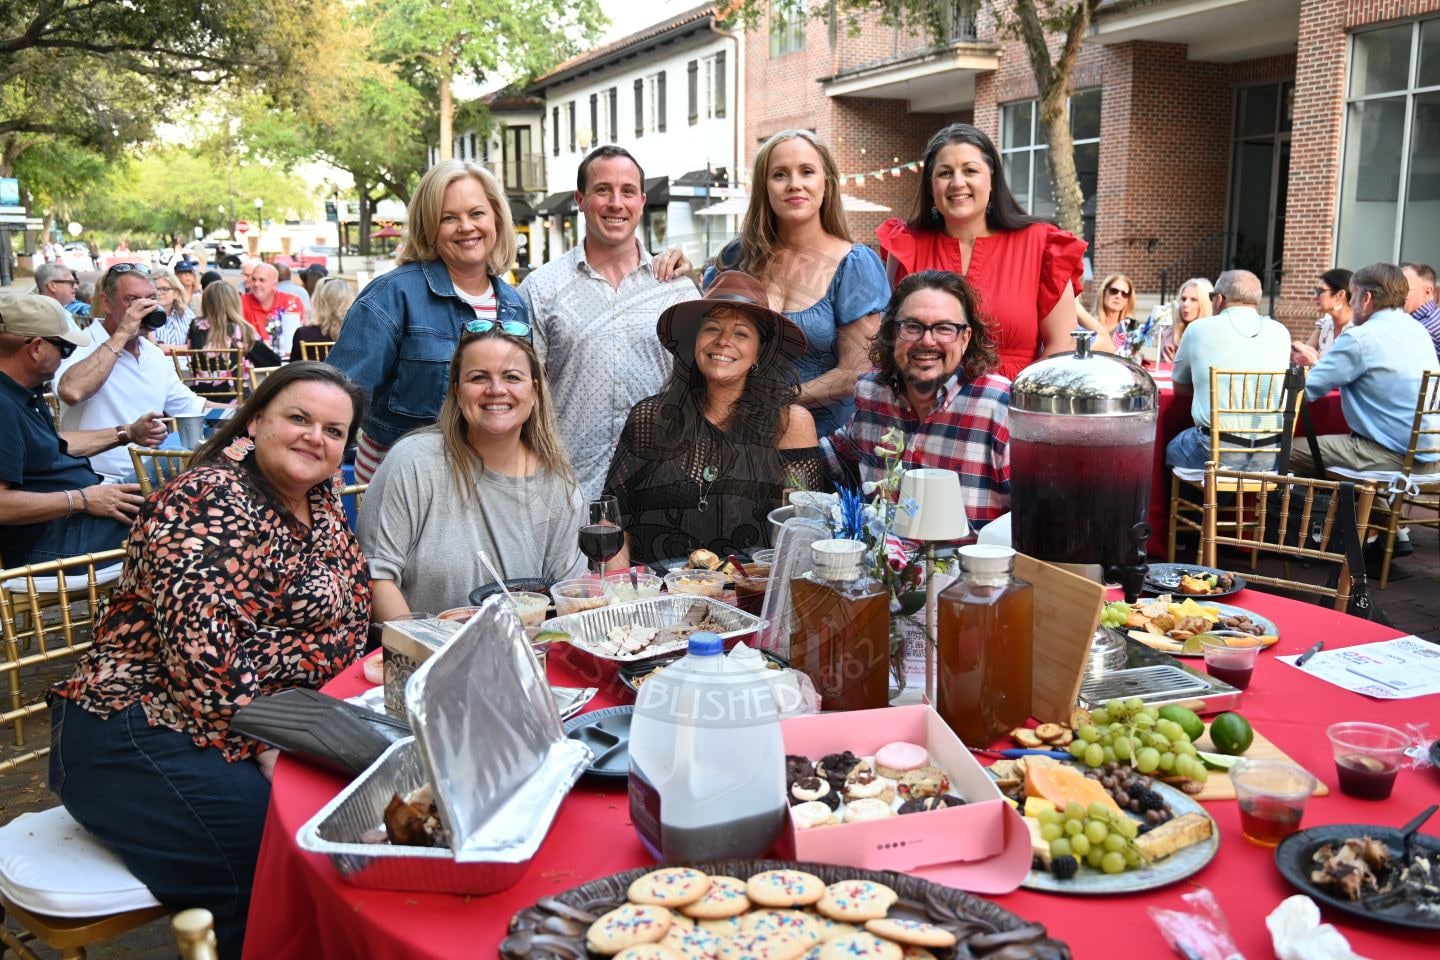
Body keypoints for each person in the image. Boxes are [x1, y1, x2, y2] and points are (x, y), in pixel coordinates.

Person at [47, 362, 370, 960]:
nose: (315, 438)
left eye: (333, 431)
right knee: (268, 857)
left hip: (258, 721)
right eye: (298, 418)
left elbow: (348, 606)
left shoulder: (319, 501)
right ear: (253, 422)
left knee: (364, 814)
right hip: (136, 726)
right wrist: (273, 744)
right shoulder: (206, 496)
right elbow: (204, 648)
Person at [359, 325, 586, 618]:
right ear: (457, 390)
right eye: (478, 377)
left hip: (525, 653)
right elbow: (377, 576)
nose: (496, 390)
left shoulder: (561, 487)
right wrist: (427, 653)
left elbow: (569, 595)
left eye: (512, 377)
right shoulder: (414, 461)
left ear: (534, 391)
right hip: (424, 656)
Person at [327, 160, 527, 484]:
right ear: (429, 227)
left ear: (496, 219)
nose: (466, 227)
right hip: (401, 484)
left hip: (488, 485)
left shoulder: (514, 306)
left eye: (477, 213)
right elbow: (335, 401)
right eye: (449, 217)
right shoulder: (391, 296)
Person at [518, 146, 699, 497]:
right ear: (580, 199)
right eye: (603, 190)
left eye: (628, 191)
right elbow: (525, 393)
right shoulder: (540, 289)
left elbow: (702, 392)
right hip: (566, 490)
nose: (616, 203)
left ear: (642, 202)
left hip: (658, 490)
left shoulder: (677, 292)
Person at [603, 271, 819, 564]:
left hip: (749, 597)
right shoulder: (649, 419)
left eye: (741, 333)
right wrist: (624, 596)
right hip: (655, 597)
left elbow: (803, 533)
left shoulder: (790, 425)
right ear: (695, 343)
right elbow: (611, 522)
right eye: (712, 329)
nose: (724, 341)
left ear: (759, 353)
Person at [875, 123, 1099, 379]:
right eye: (945, 173)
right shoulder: (905, 245)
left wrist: (1019, 406)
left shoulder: (1041, 243)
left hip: (1013, 405)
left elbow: (1062, 346)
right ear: (930, 186)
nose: (957, 183)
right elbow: (890, 340)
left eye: (970, 170)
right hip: (923, 404)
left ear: (992, 179)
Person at [706, 131, 889, 439]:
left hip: (825, 447)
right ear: (764, 188)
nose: (794, 184)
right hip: (738, 440)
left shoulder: (854, 263)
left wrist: (777, 398)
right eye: (780, 174)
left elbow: (857, 372)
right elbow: (707, 341)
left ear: (826, 184)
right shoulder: (737, 257)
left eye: (807, 171)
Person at [823, 270, 1010, 531]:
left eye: (944, 328)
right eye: (912, 327)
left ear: (965, 338)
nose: (927, 341)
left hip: (972, 569)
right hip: (882, 568)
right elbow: (831, 460)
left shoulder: (999, 406)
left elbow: (1041, 514)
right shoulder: (874, 394)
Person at [0, 292, 147, 566]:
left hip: (70, 521)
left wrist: (127, 432)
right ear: (35, 348)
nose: (66, 356)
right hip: (47, 542)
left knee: (183, 478)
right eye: (65, 348)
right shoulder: (4, 404)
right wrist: (82, 500)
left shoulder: (23, 390)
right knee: (182, 510)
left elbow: (49, 446)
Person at [55, 263, 220, 481]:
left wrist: (251, 409)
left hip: (149, 474)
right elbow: (71, 392)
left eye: (151, 298)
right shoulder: (83, 343)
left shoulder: (152, 353)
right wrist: (123, 333)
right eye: (131, 300)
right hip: (98, 479)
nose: (144, 307)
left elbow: (191, 406)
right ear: (107, 302)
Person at [1291, 262, 1440, 478]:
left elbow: (1305, 390)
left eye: (1353, 295)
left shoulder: (1360, 338)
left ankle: (1315, 511)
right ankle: (1372, 512)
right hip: (1432, 455)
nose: (1351, 302)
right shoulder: (1418, 330)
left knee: (1283, 450)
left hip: (1392, 456)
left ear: (1367, 298)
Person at [1164, 269, 1293, 472]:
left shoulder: (1198, 329)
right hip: (1272, 453)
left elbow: (1180, 387)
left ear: (1220, 299)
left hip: (1217, 451)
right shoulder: (1281, 332)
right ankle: (1228, 502)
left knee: (1171, 448)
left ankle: (1206, 502)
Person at [190, 283, 283, 390]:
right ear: (235, 303)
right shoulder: (242, 329)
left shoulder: (196, 325)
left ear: (206, 303)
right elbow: (273, 362)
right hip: (236, 394)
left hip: (200, 392)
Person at [1291, 268, 1353, 368]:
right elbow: (1304, 358)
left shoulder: (1358, 331)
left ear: (1340, 295)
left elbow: (1343, 373)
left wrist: (1314, 361)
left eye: (1320, 291)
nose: (1315, 296)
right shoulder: (1326, 326)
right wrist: (1297, 349)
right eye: (1315, 291)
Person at [239, 262, 305, 350]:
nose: (256, 284)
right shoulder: (240, 302)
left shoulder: (292, 302)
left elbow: (298, 338)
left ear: (275, 285)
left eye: (262, 280)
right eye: (254, 279)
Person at [290, 277, 353, 359]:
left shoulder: (303, 334)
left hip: (314, 372)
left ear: (319, 302)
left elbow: (293, 369)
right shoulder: (358, 334)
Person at [1160, 277, 1213, 362]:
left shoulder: (1213, 335)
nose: (1185, 304)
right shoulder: (1169, 336)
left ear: (1205, 304)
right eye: (1183, 299)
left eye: (1193, 300)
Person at [147, 266, 195, 353]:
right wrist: (185, 348)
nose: (158, 293)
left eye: (164, 289)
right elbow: (152, 348)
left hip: (184, 365)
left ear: (176, 293)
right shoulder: (143, 315)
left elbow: (197, 346)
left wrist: (162, 347)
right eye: (154, 289)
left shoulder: (187, 314)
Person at [1092, 272, 1137, 355]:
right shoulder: (1088, 324)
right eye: (1114, 291)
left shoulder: (1131, 330)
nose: (1118, 296)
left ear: (1128, 300)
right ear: (1104, 292)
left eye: (1125, 293)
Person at [1402, 261, 1440, 356]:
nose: (1396, 295)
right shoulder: (1436, 315)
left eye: (1404, 289)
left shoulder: (1423, 330)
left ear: (1427, 292)